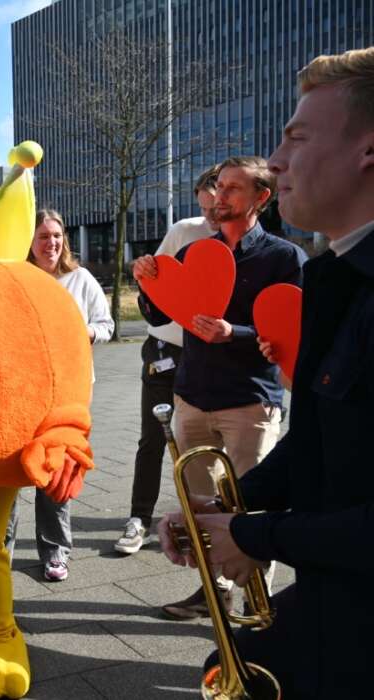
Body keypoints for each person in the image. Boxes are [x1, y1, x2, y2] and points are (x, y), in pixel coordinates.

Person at [160, 46, 374, 698]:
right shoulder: (339, 275)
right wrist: (227, 507)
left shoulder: (299, 263)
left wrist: (255, 533)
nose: (277, 160)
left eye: (297, 138)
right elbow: (320, 444)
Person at [135, 156, 306, 620]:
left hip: (250, 400)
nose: (219, 196)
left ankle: (258, 605)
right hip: (193, 395)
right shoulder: (194, 253)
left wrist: (238, 334)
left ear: (261, 198)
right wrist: (147, 283)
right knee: (200, 506)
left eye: (232, 188)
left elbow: (295, 329)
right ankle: (213, 591)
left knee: (252, 506)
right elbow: (160, 314)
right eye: (218, 186)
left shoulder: (283, 257)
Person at [115, 167, 219, 555]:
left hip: (211, 354)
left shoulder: (239, 242)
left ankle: (203, 519)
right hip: (166, 349)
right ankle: (138, 518)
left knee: (203, 442)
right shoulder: (183, 231)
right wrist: (144, 272)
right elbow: (154, 283)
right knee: (153, 437)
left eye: (216, 208)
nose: (210, 216)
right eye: (204, 208)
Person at [20, 209, 113, 582]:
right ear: (30, 242)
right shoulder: (19, 277)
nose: (51, 243)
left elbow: (106, 326)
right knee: (8, 471)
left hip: (69, 392)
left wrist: (83, 332)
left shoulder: (80, 279)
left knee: (57, 470)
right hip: (24, 388)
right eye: (43, 236)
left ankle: (56, 551)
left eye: (57, 236)